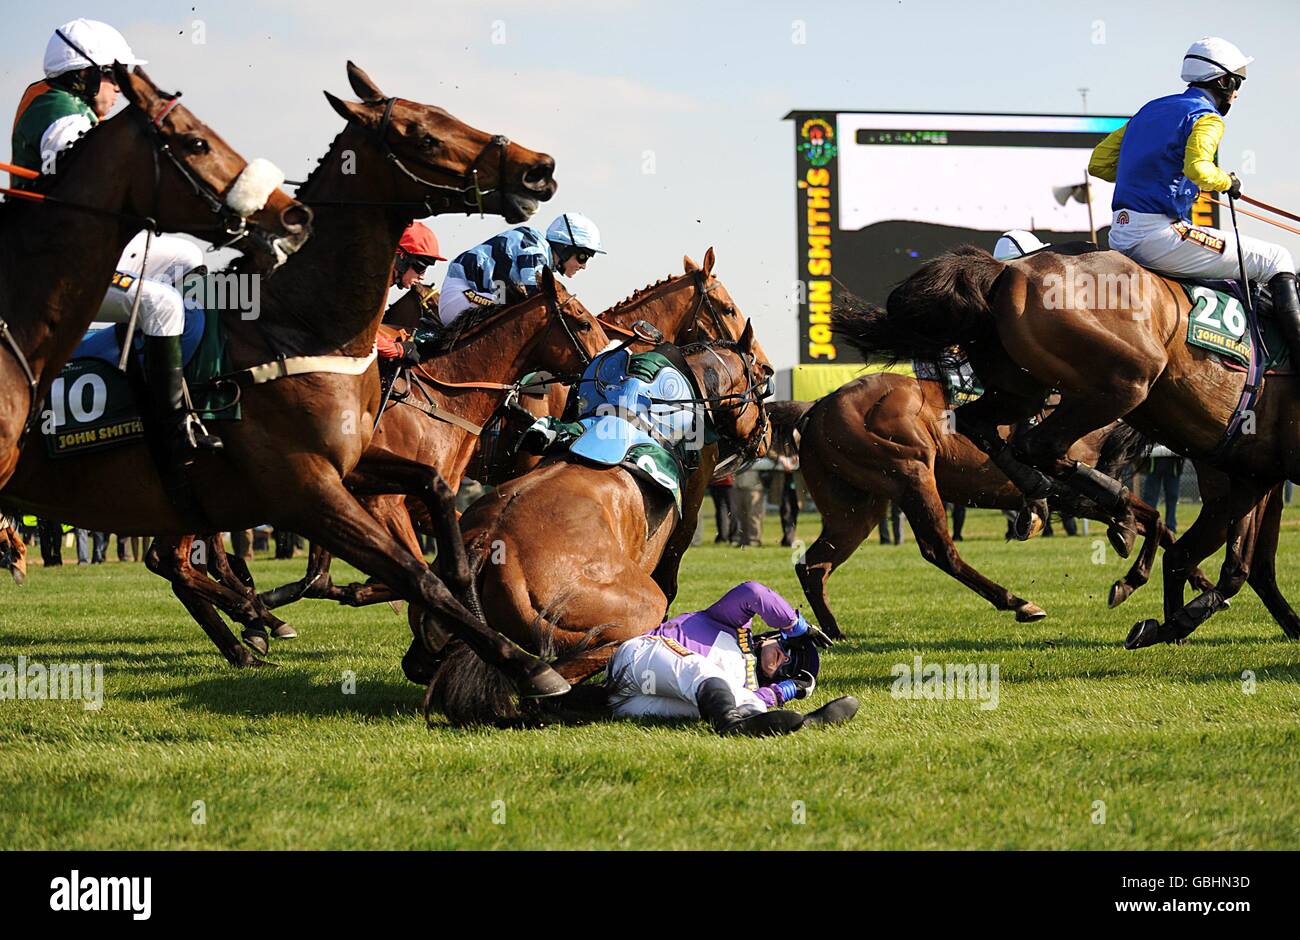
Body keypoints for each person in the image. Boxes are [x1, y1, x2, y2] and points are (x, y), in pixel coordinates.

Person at [11, 19, 217, 455]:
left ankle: (153, 369)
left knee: (184, 255)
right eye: (111, 75)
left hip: (82, 252)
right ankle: (167, 426)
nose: (119, 88)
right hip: (59, 273)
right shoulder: (58, 114)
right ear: (82, 75)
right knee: (162, 305)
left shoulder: (69, 107)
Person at [1088, 37, 1300, 365]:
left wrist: (1158, 176)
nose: (1237, 92)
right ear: (1224, 81)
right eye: (1237, 83)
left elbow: (1099, 164)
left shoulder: (1149, 110)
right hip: (1161, 236)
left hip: (1120, 234)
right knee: (1277, 257)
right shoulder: (1208, 117)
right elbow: (1199, 168)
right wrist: (1227, 181)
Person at [605, 581, 858, 736]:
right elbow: (754, 593)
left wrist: (784, 692)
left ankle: (804, 724)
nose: (784, 660)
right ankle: (729, 725)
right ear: (775, 636)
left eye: (787, 669)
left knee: (747, 702)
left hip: (630, 704)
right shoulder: (732, 624)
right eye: (790, 650)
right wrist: (795, 624)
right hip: (637, 662)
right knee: (701, 671)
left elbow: (755, 699)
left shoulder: (752, 688)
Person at [438, 212, 604, 328]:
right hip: (462, 294)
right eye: (583, 257)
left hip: (475, 294)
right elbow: (537, 299)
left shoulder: (539, 252)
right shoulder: (534, 247)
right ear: (564, 247)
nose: (583, 266)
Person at [377, 221, 446, 364]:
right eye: (421, 267)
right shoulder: (371, 283)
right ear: (402, 257)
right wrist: (398, 350)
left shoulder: (380, 283)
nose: (422, 276)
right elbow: (360, 337)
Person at [1141, 444, 1185, 533]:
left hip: (1173, 464)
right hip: (1154, 462)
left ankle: (1170, 526)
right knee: (1150, 496)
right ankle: (1149, 524)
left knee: (1172, 496)